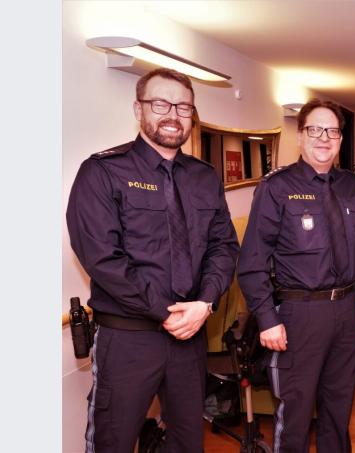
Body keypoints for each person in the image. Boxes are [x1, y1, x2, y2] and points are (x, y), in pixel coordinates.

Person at [66, 67, 240, 452]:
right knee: (113, 441)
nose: (173, 115)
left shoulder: (205, 177)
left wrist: (205, 302)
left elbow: (223, 247)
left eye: (184, 107)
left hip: (189, 337)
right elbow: (102, 257)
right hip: (128, 338)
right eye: (161, 103)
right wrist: (167, 313)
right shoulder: (102, 171)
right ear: (138, 108)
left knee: (187, 441)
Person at [237, 98, 355, 453]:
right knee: (296, 411)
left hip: (349, 310)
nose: (324, 138)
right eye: (315, 130)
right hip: (298, 315)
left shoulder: (354, 187)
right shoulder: (276, 188)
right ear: (301, 135)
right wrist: (266, 319)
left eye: (333, 131)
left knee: (339, 409)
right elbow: (252, 261)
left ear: (340, 137)